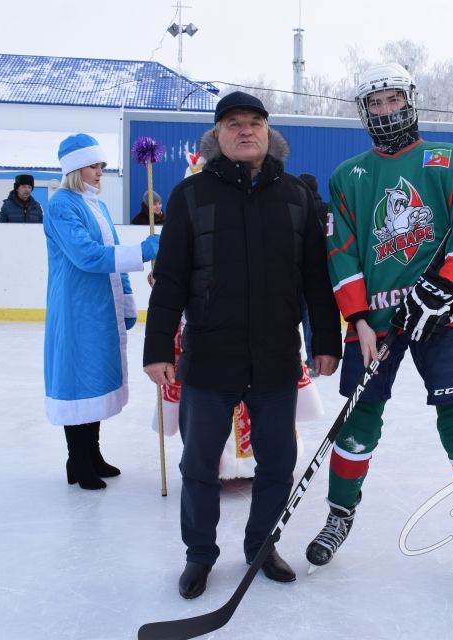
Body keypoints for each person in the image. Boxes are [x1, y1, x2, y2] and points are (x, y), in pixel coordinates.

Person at [304, 62, 453, 594]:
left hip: (444, 315)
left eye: (393, 99)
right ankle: (339, 516)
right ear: (364, 112)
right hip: (375, 323)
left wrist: (446, 288)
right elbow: (341, 251)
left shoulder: (450, 160)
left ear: (410, 101)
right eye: (375, 103)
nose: (385, 110)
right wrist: (359, 318)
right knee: (357, 420)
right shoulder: (348, 176)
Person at [142, 91, 341, 600]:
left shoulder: (296, 196)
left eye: (255, 122)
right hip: (209, 355)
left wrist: (324, 338)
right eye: (234, 123)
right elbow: (169, 279)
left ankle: (261, 545)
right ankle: (199, 555)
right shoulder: (191, 196)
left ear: (269, 134)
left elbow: (316, 278)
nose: (246, 130)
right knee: (198, 464)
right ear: (218, 135)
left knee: (277, 464)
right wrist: (158, 346)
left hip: (276, 354)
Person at [43, 134, 160, 491]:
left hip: (101, 306)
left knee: (95, 380)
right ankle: (77, 460)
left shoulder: (97, 205)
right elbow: (86, 256)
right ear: (76, 168)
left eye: (102, 167)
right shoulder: (61, 205)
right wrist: (143, 250)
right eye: (94, 166)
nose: (100, 173)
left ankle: (90, 454)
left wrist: (125, 301)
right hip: (77, 308)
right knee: (78, 381)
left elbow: (111, 260)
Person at [297, 173, 330, 374]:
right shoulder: (327, 210)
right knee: (313, 320)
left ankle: (296, 360)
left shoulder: (299, 210)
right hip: (321, 273)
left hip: (298, 271)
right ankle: (313, 360)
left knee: (292, 317)